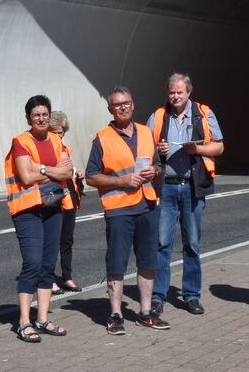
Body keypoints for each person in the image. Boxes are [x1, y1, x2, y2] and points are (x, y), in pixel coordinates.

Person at [86, 86, 167, 334]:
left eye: (126, 103)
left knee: (147, 262)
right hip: (119, 209)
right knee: (117, 264)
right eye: (117, 104)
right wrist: (122, 181)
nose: (123, 107)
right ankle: (115, 314)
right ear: (111, 109)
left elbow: (157, 166)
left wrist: (155, 170)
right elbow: (91, 177)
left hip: (147, 205)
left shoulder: (146, 132)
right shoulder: (102, 138)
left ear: (133, 105)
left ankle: (145, 312)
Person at [146, 73, 224, 315]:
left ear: (189, 92)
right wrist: (157, 149)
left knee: (191, 244)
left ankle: (191, 295)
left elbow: (219, 146)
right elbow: (144, 150)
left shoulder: (204, 113)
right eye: (172, 92)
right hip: (166, 187)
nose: (175, 96)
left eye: (180, 92)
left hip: (192, 187)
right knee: (162, 244)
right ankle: (158, 297)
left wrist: (197, 149)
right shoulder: (158, 116)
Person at [3, 95, 73, 343]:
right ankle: (24, 321)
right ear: (28, 118)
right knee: (32, 262)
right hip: (27, 209)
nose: (41, 118)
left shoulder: (56, 140)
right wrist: (51, 172)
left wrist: (40, 168)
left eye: (44, 114)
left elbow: (68, 171)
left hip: (53, 206)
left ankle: (42, 318)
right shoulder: (21, 141)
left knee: (47, 264)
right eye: (36, 115)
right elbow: (25, 176)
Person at [49, 110, 83, 293]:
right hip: (53, 199)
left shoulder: (64, 149)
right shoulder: (46, 149)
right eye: (53, 132)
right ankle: (49, 278)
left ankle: (67, 277)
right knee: (52, 241)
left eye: (60, 132)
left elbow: (68, 171)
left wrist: (77, 175)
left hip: (69, 198)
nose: (57, 136)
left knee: (67, 240)